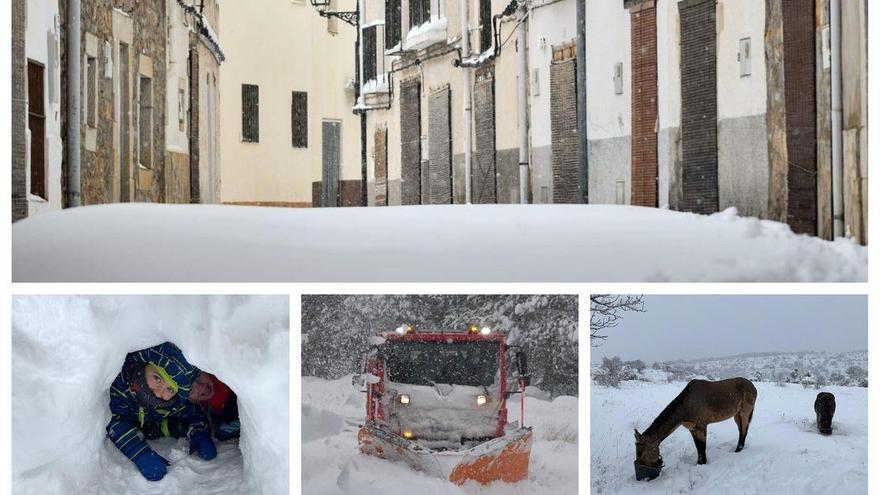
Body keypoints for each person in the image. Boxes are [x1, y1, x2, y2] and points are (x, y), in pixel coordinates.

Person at [106, 342, 217, 481]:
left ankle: (165, 427)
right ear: (145, 364)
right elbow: (114, 420)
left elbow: (193, 412)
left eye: (170, 389)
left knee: (165, 424)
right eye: (157, 378)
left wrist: (199, 432)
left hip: (147, 420)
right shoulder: (120, 386)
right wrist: (140, 453)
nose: (159, 392)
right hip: (129, 419)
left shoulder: (171, 402)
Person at [189, 372, 241, 441]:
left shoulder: (224, 377)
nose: (201, 386)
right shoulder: (202, 407)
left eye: (197, 377)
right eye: (191, 389)